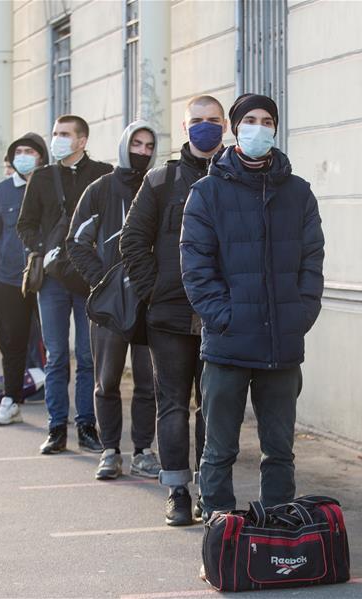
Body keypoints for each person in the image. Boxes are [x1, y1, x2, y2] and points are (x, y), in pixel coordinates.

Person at [180, 94, 325, 522]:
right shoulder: (207, 192)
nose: (258, 128)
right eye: (250, 120)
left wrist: (301, 314)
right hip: (228, 341)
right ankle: (218, 525)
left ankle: (278, 525)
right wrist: (224, 317)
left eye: (267, 121)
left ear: (275, 129)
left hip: (282, 341)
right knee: (219, 447)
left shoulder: (298, 193)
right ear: (235, 128)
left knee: (279, 449)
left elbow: (312, 260)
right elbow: (196, 267)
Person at [120, 96, 226, 524]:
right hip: (169, 317)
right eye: (197, 121)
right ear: (185, 128)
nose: (206, 128)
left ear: (226, 126)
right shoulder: (161, 180)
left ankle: (209, 489)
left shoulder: (237, 176)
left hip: (221, 316)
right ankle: (178, 490)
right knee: (173, 405)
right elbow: (132, 241)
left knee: (214, 407)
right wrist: (155, 291)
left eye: (213, 121)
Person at [68, 120, 160, 481]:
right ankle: (109, 451)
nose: (142, 151)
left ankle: (143, 450)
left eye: (149, 146)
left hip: (149, 302)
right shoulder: (101, 189)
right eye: (136, 143)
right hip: (109, 305)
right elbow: (76, 242)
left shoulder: (157, 186)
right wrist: (101, 281)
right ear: (124, 145)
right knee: (105, 381)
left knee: (147, 382)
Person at [16, 115, 112, 454]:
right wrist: (41, 249)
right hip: (53, 279)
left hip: (88, 277)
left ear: (82, 140)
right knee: (56, 355)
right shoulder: (42, 177)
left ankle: (87, 424)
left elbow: (112, 219)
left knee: (87, 356)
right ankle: (57, 427)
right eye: (55, 133)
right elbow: (25, 224)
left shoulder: (102, 173)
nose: (57, 139)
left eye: (65, 134)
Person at [0, 133, 48, 425]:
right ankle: (11, 400)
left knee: (53, 344)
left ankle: (56, 410)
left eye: (29, 151)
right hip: (8, 279)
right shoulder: (1, 191)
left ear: (41, 157)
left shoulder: (51, 187)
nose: (23, 156)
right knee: (12, 341)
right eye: (18, 151)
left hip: (48, 276)